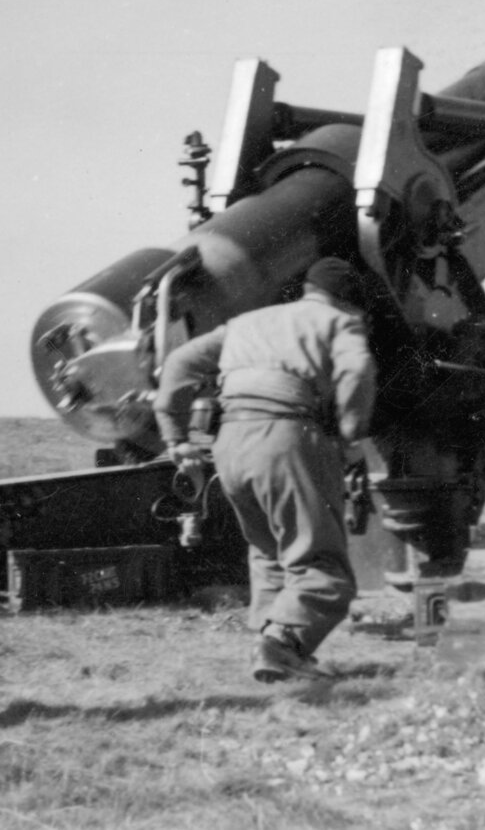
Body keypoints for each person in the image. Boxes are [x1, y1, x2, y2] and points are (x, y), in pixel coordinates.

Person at [154, 257, 377, 682]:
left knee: (270, 552)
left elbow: (179, 361)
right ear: (350, 303)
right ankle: (282, 645)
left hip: (231, 445)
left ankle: (269, 647)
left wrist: (175, 438)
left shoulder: (246, 323)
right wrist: (350, 435)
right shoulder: (339, 322)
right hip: (286, 436)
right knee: (321, 563)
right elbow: (358, 369)